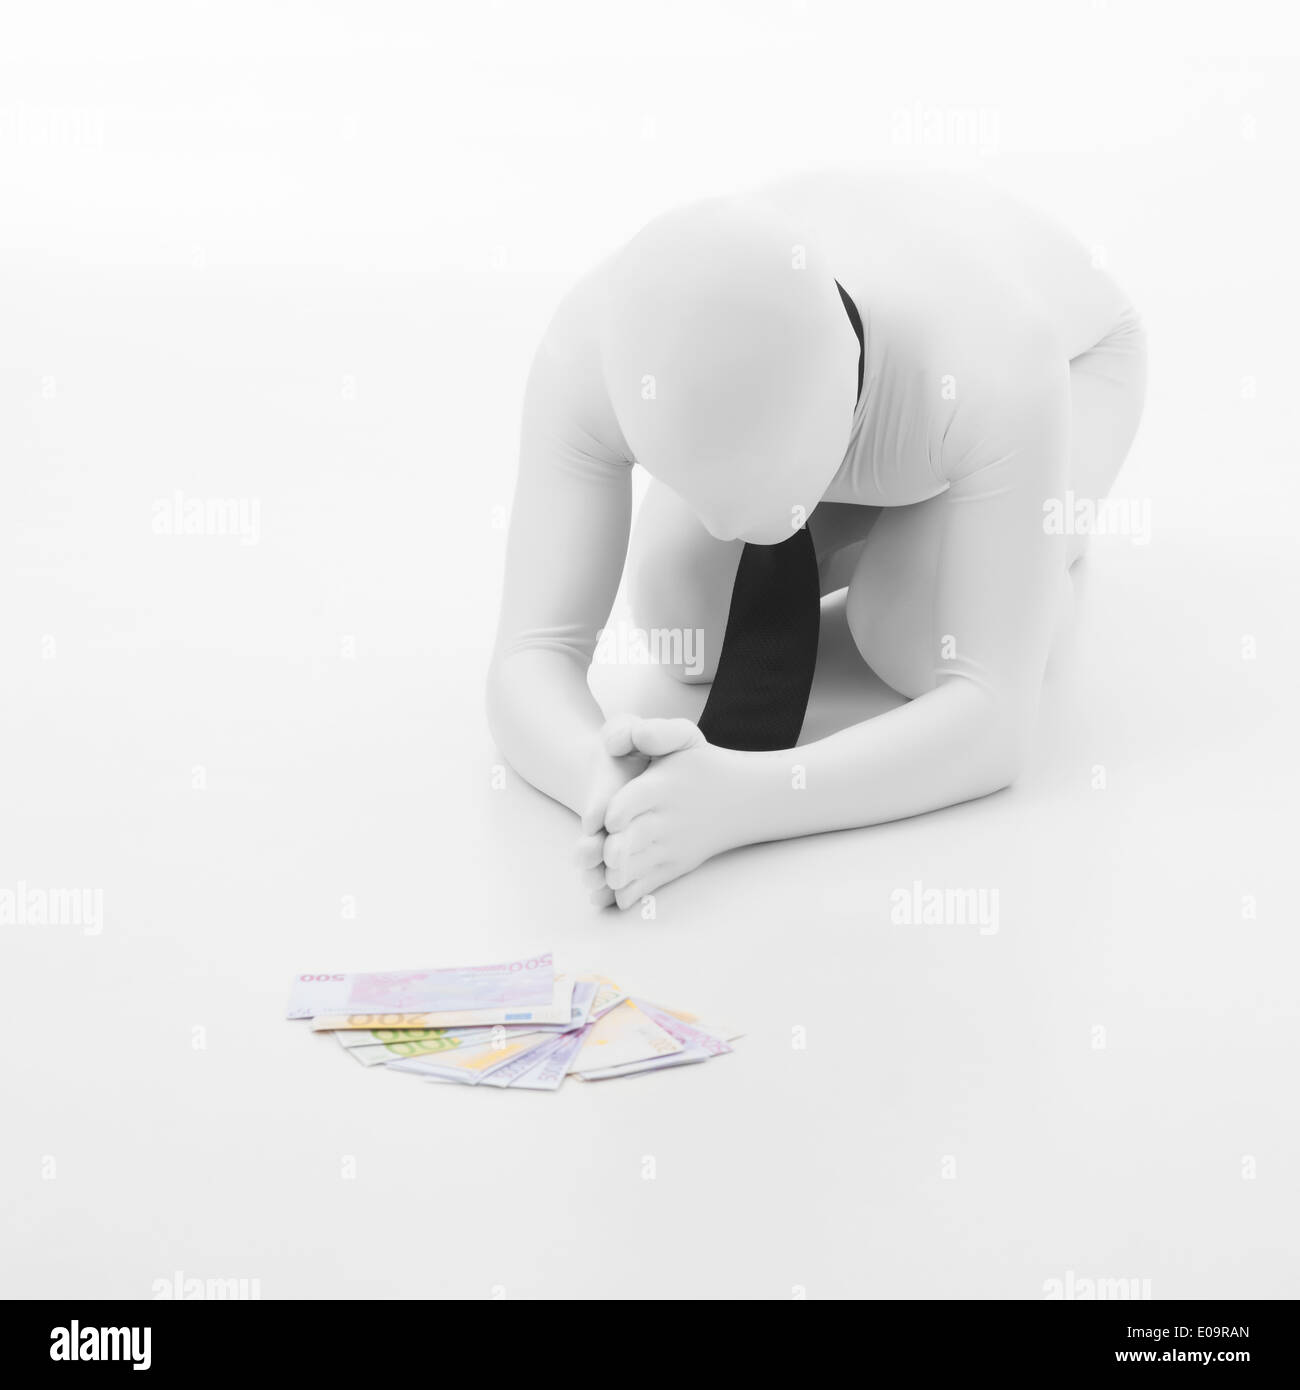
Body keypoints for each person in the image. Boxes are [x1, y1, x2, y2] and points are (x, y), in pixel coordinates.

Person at [487, 170, 1147, 909]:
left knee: (905, 629)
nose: (719, 531)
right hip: (854, 381)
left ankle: (1009, 560)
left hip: (1078, 363)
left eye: (756, 499)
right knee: (681, 618)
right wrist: (599, 780)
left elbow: (993, 720)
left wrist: (742, 802)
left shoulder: (996, 359)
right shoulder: (594, 346)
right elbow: (528, 653)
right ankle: (911, 533)